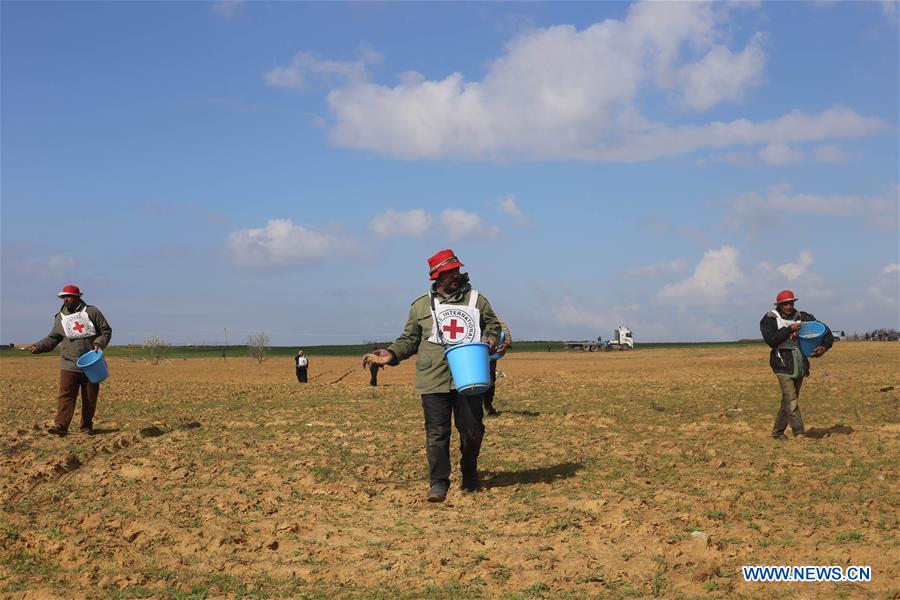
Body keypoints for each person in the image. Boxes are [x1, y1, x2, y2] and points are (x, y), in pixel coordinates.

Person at [363, 249, 502, 502]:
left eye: (457, 271)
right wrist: (392, 354)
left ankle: (469, 472)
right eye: (449, 273)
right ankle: (438, 482)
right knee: (437, 434)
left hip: (469, 375)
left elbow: (493, 325)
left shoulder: (476, 300)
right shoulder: (420, 306)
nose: (455, 276)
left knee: (472, 430)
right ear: (436, 277)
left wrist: (490, 338)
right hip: (433, 378)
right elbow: (409, 339)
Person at [28, 284, 112, 436]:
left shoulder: (92, 312)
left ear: (77, 297)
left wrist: (99, 343)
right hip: (69, 364)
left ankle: (86, 427)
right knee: (66, 395)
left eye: (69, 296)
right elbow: (53, 338)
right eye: (63, 297)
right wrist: (39, 347)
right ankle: (61, 426)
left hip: (91, 364)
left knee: (90, 397)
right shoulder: (60, 317)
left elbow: (106, 331)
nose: (66, 299)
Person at [759, 289, 833, 441]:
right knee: (791, 399)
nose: (789, 306)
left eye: (791, 303)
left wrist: (823, 347)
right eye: (785, 304)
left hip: (800, 362)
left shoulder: (803, 317)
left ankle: (777, 432)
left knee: (789, 399)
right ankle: (799, 432)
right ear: (779, 305)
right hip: (782, 363)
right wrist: (789, 329)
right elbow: (771, 340)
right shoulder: (770, 319)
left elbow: (826, 332)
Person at [483, 319, 512, 416]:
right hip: (471, 352)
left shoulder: (489, 313)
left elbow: (502, 327)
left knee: (490, 380)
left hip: (490, 352)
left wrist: (507, 343)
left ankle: (488, 405)